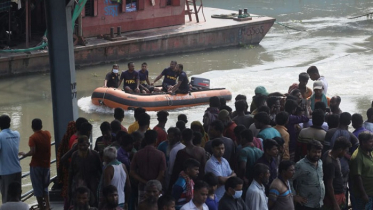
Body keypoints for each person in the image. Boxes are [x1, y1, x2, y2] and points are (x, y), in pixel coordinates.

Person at [18, 118, 51, 210]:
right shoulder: (47, 134)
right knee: (45, 187)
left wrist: (25, 154)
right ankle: (47, 206)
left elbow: (33, 152)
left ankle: (41, 207)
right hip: (46, 165)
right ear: (41, 125)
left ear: (32, 127)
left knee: (37, 188)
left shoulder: (33, 138)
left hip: (36, 166)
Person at [130, 130, 166, 203]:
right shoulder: (160, 154)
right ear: (156, 140)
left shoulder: (137, 154)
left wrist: (145, 182)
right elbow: (162, 174)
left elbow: (132, 172)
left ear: (145, 140)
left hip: (142, 187)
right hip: (156, 189)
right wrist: (154, 183)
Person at [69, 136, 102, 207]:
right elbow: (71, 172)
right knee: (80, 203)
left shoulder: (95, 155)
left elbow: (100, 170)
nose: (82, 147)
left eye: (84, 145)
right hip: (79, 184)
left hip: (93, 185)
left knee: (93, 203)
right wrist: (69, 188)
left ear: (88, 144)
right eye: (80, 145)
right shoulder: (74, 155)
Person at [291, 140, 325, 210]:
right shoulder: (300, 165)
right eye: (314, 152)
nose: (317, 154)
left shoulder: (320, 162)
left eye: (319, 152)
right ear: (308, 151)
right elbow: (289, 179)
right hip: (306, 205)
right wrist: (294, 196)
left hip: (319, 203)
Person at [322, 137, 351, 210]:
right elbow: (329, 185)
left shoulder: (329, 152)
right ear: (340, 150)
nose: (345, 153)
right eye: (345, 151)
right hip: (334, 196)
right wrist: (335, 204)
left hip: (338, 193)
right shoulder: (330, 163)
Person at [0, 114, 22, 203]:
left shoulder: (0, 136)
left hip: (6, 172)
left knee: (7, 198)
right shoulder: (17, 134)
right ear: (10, 123)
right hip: (17, 170)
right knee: (17, 197)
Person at [349, 132, 373, 210]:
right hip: (363, 195)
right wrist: (363, 194)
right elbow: (357, 178)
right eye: (370, 141)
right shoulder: (357, 157)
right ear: (363, 142)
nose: (372, 143)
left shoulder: (370, 151)